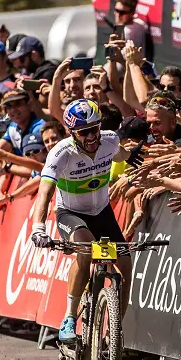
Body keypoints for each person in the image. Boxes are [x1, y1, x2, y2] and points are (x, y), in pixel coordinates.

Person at [28, 99, 134, 344]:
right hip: (70, 213)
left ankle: (115, 331)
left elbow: (124, 155)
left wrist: (136, 158)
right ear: (72, 133)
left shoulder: (109, 140)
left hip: (102, 212)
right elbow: (44, 193)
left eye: (94, 129)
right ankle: (68, 318)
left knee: (126, 265)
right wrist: (39, 228)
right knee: (85, 250)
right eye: (84, 132)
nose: (91, 136)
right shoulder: (61, 153)